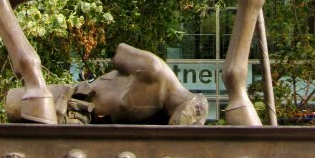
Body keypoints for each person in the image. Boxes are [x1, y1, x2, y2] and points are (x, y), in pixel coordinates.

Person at [67, 43, 209, 126]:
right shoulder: (153, 68)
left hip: (86, 124)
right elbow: (120, 53)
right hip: (73, 99)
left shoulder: (161, 115)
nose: (177, 124)